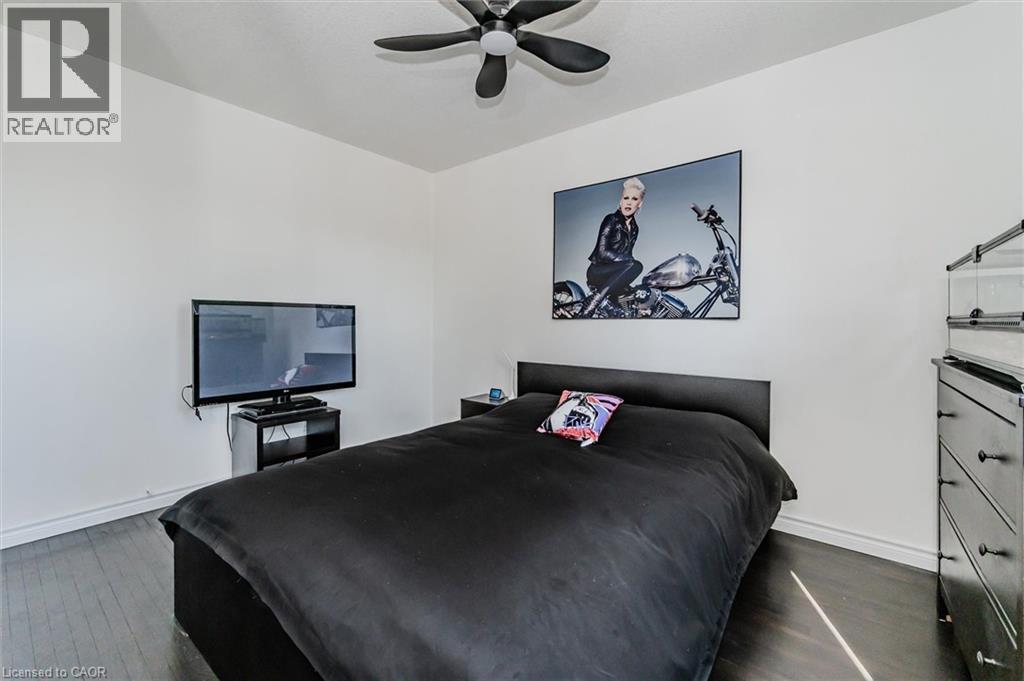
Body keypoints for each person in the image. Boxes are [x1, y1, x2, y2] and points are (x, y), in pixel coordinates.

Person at [580, 177, 645, 317]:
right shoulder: (611, 219)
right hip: (598, 271)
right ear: (621, 201)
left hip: (615, 273)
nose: (629, 202)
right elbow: (601, 252)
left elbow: (627, 257)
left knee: (632, 301)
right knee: (637, 265)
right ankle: (593, 303)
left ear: (640, 204)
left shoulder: (635, 229)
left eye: (634, 199)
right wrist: (628, 261)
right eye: (626, 198)